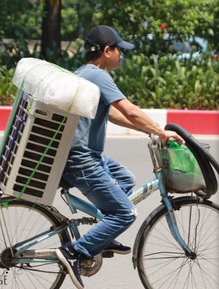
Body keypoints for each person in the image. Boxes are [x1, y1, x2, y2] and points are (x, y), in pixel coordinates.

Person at [55, 26, 184, 289]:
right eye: (119, 50)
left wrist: (147, 130)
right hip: (81, 160)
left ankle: (102, 237)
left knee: (125, 178)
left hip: (86, 155)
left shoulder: (85, 74)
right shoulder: (98, 76)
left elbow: (114, 115)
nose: (121, 55)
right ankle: (74, 252)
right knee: (125, 214)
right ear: (107, 51)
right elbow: (130, 110)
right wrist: (160, 132)